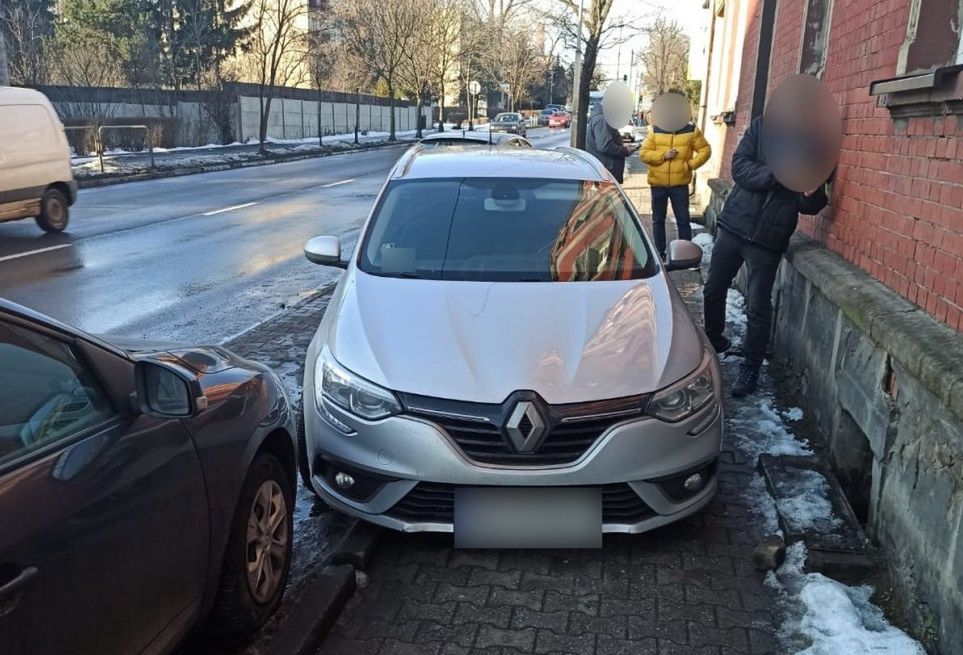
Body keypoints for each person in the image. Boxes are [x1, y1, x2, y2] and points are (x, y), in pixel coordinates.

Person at [703, 116, 829, 397]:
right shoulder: (763, 127)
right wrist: (778, 176)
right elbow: (740, 167)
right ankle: (712, 339)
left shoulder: (817, 148)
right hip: (735, 224)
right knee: (713, 288)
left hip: (769, 239)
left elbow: (812, 203)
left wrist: (810, 193)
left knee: (758, 308)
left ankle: (750, 367)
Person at [639, 92, 712, 260]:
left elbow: (705, 150)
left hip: (680, 184)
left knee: (683, 220)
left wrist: (690, 165)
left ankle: (685, 255)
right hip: (658, 184)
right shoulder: (655, 130)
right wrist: (663, 155)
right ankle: (660, 252)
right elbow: (644, 154)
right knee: (658, 219)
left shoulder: (691, 130)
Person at [586, 104, 633, 183]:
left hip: (605, 168)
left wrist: (621, 145)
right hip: (607, 169)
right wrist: (625, 150)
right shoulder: (603, 119)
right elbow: (605, 146)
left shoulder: (601, 118)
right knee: (607, 193)